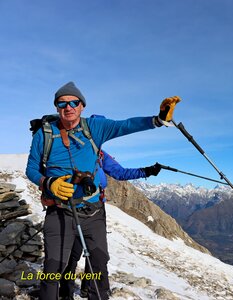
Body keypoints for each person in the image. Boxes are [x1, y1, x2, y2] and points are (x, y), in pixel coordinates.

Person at [26, 81, 180, 300]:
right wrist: (47, 182)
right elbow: (31, 169)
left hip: (93, 212)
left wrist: (157, 120)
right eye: (62, 103)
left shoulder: (94, 129)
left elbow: (125, 125)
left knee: (98, 265)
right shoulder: (44, 134)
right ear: (57, 107)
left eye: (74, 102)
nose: (68, 107)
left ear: (82, 106)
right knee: (53, 269)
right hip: (59, 211)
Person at [59, 148, 161, 299]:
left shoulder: (99, 152)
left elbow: (120, 172)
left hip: (96, 211)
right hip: (72, 209)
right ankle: (66, 293)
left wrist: (147, 171)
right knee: (73, 254)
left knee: (96, 255)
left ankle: (88, 290)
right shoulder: (65, 150)